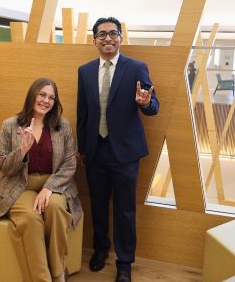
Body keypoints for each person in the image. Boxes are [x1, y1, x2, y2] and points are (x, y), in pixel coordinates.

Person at [77, 17, 159, 282]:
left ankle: (125, 263)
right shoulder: (85, 71)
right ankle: (101, 249)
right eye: (102, 34)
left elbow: (153, 106)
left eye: (113, 33)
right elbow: (83, 112)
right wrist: (82, 148)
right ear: (94, 41)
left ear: (121, 38)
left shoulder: (136, 68)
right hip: (95, 150)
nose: (108, 38)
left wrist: (145, 103)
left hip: (125, 153)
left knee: (125, 209)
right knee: (98, 205)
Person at [0, 78, 83, 282]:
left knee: (57, 209)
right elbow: (4, 165)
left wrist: (49, 188)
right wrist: (23, 149)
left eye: (51, 97)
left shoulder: (63, 126)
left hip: (54, 184)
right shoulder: (9, 125)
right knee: (31, 219)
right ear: (32, 95)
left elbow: (69, 163)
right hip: (19, 185)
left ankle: (58, 274)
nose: (46, 100)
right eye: (42, 94)